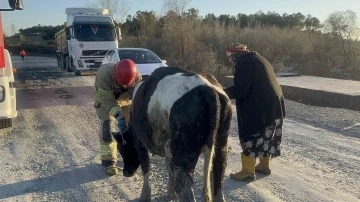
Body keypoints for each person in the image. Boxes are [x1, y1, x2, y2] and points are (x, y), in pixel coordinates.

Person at [224, 43, 286, 182]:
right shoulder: (258, 58)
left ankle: (247, 172)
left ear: (236, 54)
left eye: (230, 56)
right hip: (274, 106)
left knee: (251, 135)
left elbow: (241, 89)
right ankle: (264, 167)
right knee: (267, 137)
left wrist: (221, 93)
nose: (229, 60)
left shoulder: (244, 63)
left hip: (259, 108)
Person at [93, 59, 142, 176]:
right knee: (108, 128)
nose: (124, 86)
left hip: (125, 101)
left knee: (130, 130)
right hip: (106, 100)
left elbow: (136, 97)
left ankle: (129, 155)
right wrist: (119, 117)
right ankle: (109, 160)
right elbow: (108, 101)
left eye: (127, 84)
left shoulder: (136, 76)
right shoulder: (105, 74)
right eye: (122, 84)